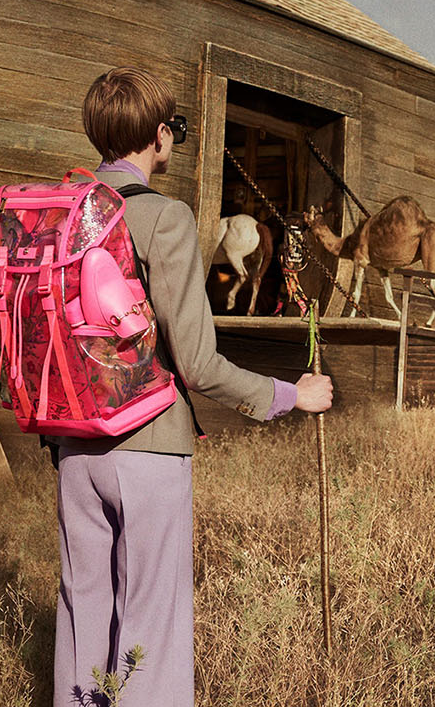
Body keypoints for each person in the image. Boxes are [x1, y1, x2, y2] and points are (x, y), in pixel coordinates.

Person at [54, 66, 333, 706]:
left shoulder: (65, 212)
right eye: (174, 129)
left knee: (82, 614)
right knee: (150, 625)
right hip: (148, 448)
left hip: (74, 448)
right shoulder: (165, 218)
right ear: (158, 137)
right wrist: (293, 394)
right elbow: (200, 365)